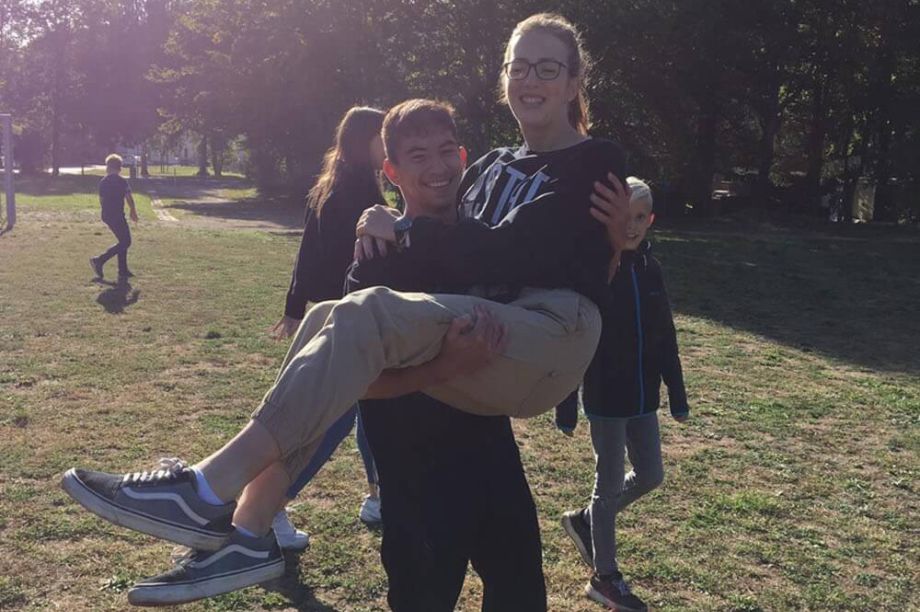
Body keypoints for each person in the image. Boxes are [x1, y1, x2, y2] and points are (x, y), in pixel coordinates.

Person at [61, 13, 631, 606]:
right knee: (325, 317)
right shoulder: (487, 171)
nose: (530, 78)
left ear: (574, 82)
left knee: (364, 315)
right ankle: (247, 529)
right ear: (391, 172)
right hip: (440, 420)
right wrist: (394, 234)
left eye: (547, 68)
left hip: (543, 335)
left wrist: (618, 244)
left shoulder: (594, 159)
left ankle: (206, 490)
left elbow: (518, 248)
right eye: (519, 66)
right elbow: (479, 253)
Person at [349, 102, 545, 611]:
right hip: (416, 475)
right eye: (418, 155)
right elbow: (358, 383)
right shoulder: (376, 261)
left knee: (522, 596)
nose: (437, 167)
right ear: (391, 171)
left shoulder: (486, 245)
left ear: (463, 156)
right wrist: (444, 368)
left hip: (492, 456)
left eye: (445, 151)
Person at [560, 177, 689, 612]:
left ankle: (586, 520)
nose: (631, 226)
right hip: (605, 398)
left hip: (643, 397)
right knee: (609, 483)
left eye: (640, 217)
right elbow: (574, 338)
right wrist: (566, 403)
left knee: (651, 474)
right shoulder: (595, 270)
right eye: (623, 216)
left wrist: (676, 392)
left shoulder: (652, 269)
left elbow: (665, 333)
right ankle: (605, 576)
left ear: (650, 220)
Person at [267, 106, 388, 547]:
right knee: (330, 420)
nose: (390, 145)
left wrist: (295, 305)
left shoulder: (334, 186)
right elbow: (329, 256)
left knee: (374, 409)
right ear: (364, 140)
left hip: (344, 315)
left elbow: (305, 251)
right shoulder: (358, 195)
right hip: (350, 320)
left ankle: (379, 497)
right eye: (384, 136)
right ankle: (271, 506)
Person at [90, 154, 138, 280]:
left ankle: (122, 269)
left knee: (123, 240)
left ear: (109, 167)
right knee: (126, 241)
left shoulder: (104, 182)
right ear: (119, 167)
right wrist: (133, 211)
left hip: (107, 215)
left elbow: (101, 200)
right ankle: (99, 260)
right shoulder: (122, 181)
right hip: (117, 215)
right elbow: (129, 198)